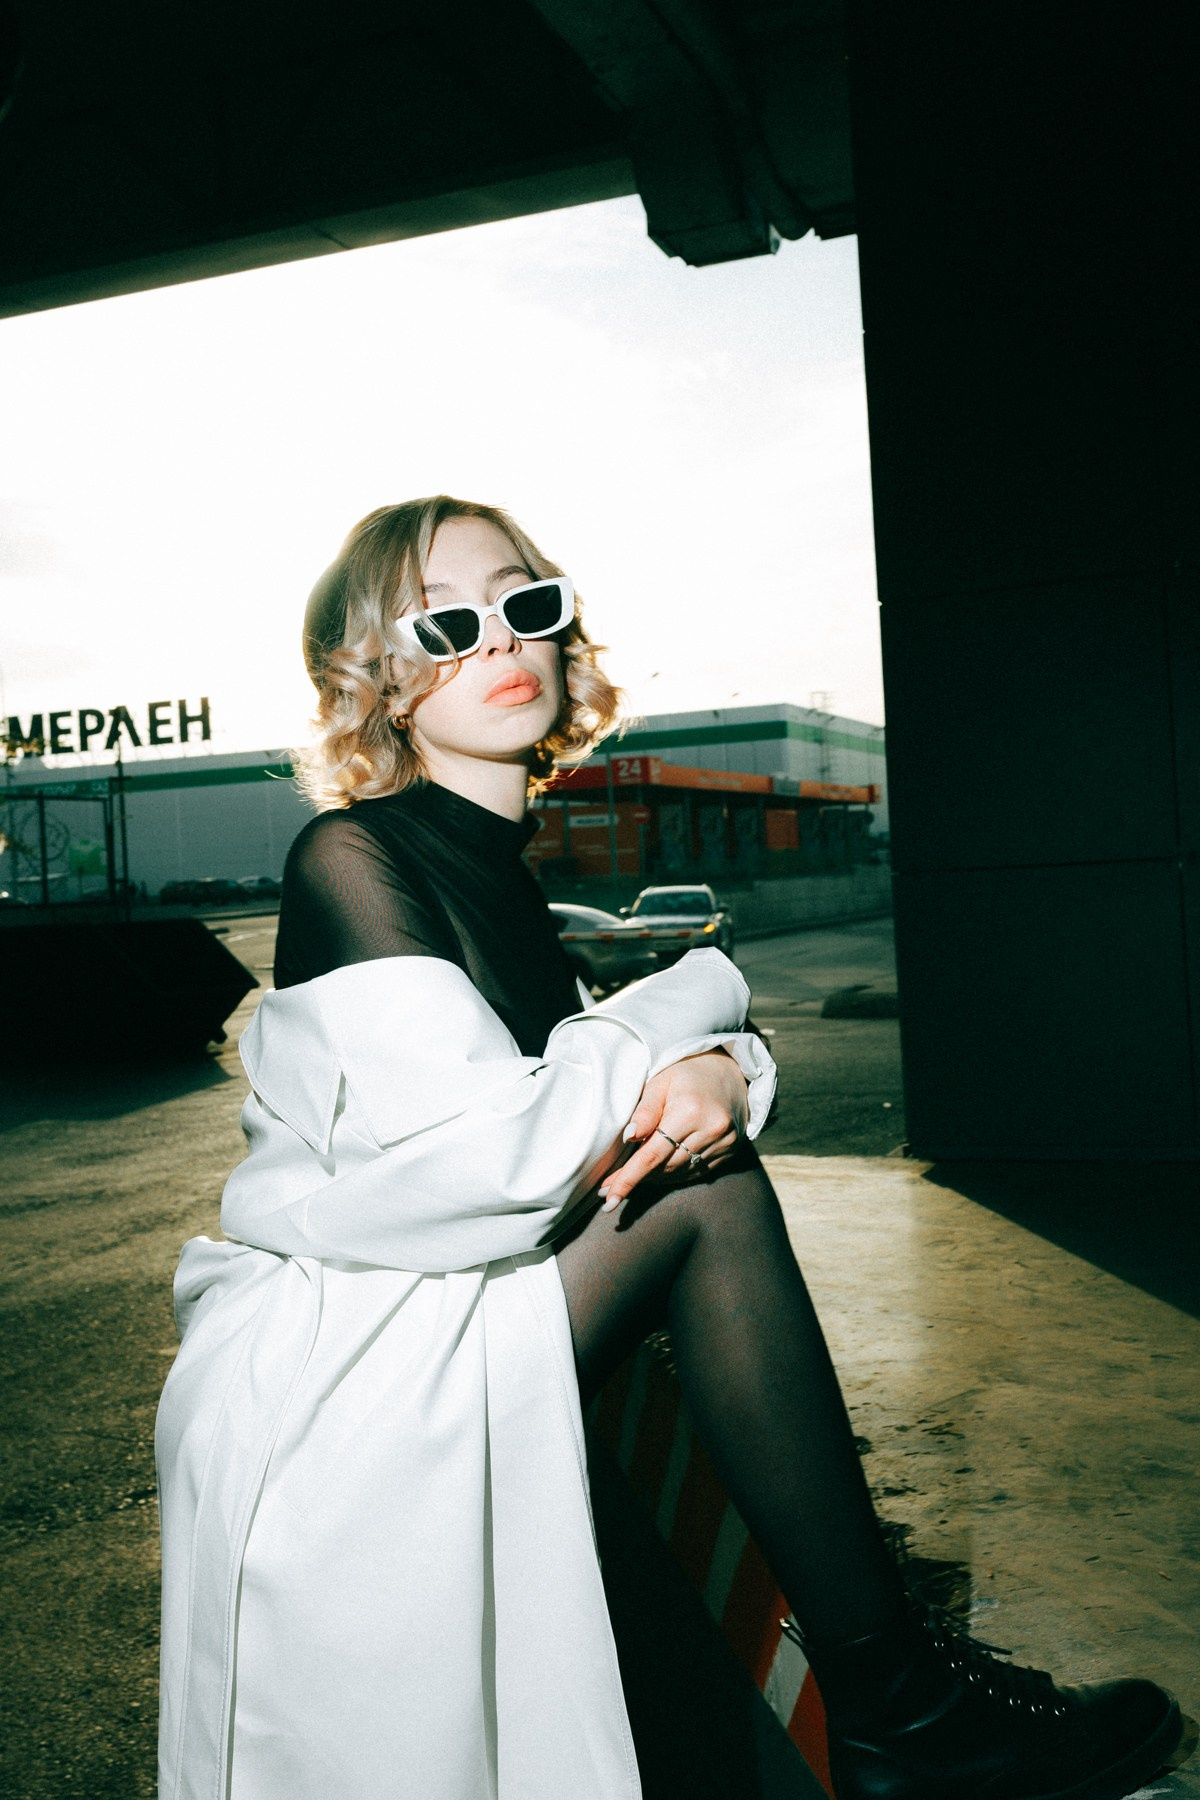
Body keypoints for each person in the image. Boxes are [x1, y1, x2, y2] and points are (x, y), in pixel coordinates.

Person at [156, 496, 1182, 1800]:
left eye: (524, 603)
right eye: (446, 624)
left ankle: (890, 1699)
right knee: (709, 1199)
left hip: (435, 1312)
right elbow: (491, 1166)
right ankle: (900, 1707)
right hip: (347, 1359)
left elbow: (594, 1105)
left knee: (696, 1172)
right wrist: (699, 1005)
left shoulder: (504, 875)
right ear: (379, 676)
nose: (499, 641)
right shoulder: (353, 855)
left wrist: (707, 1062)